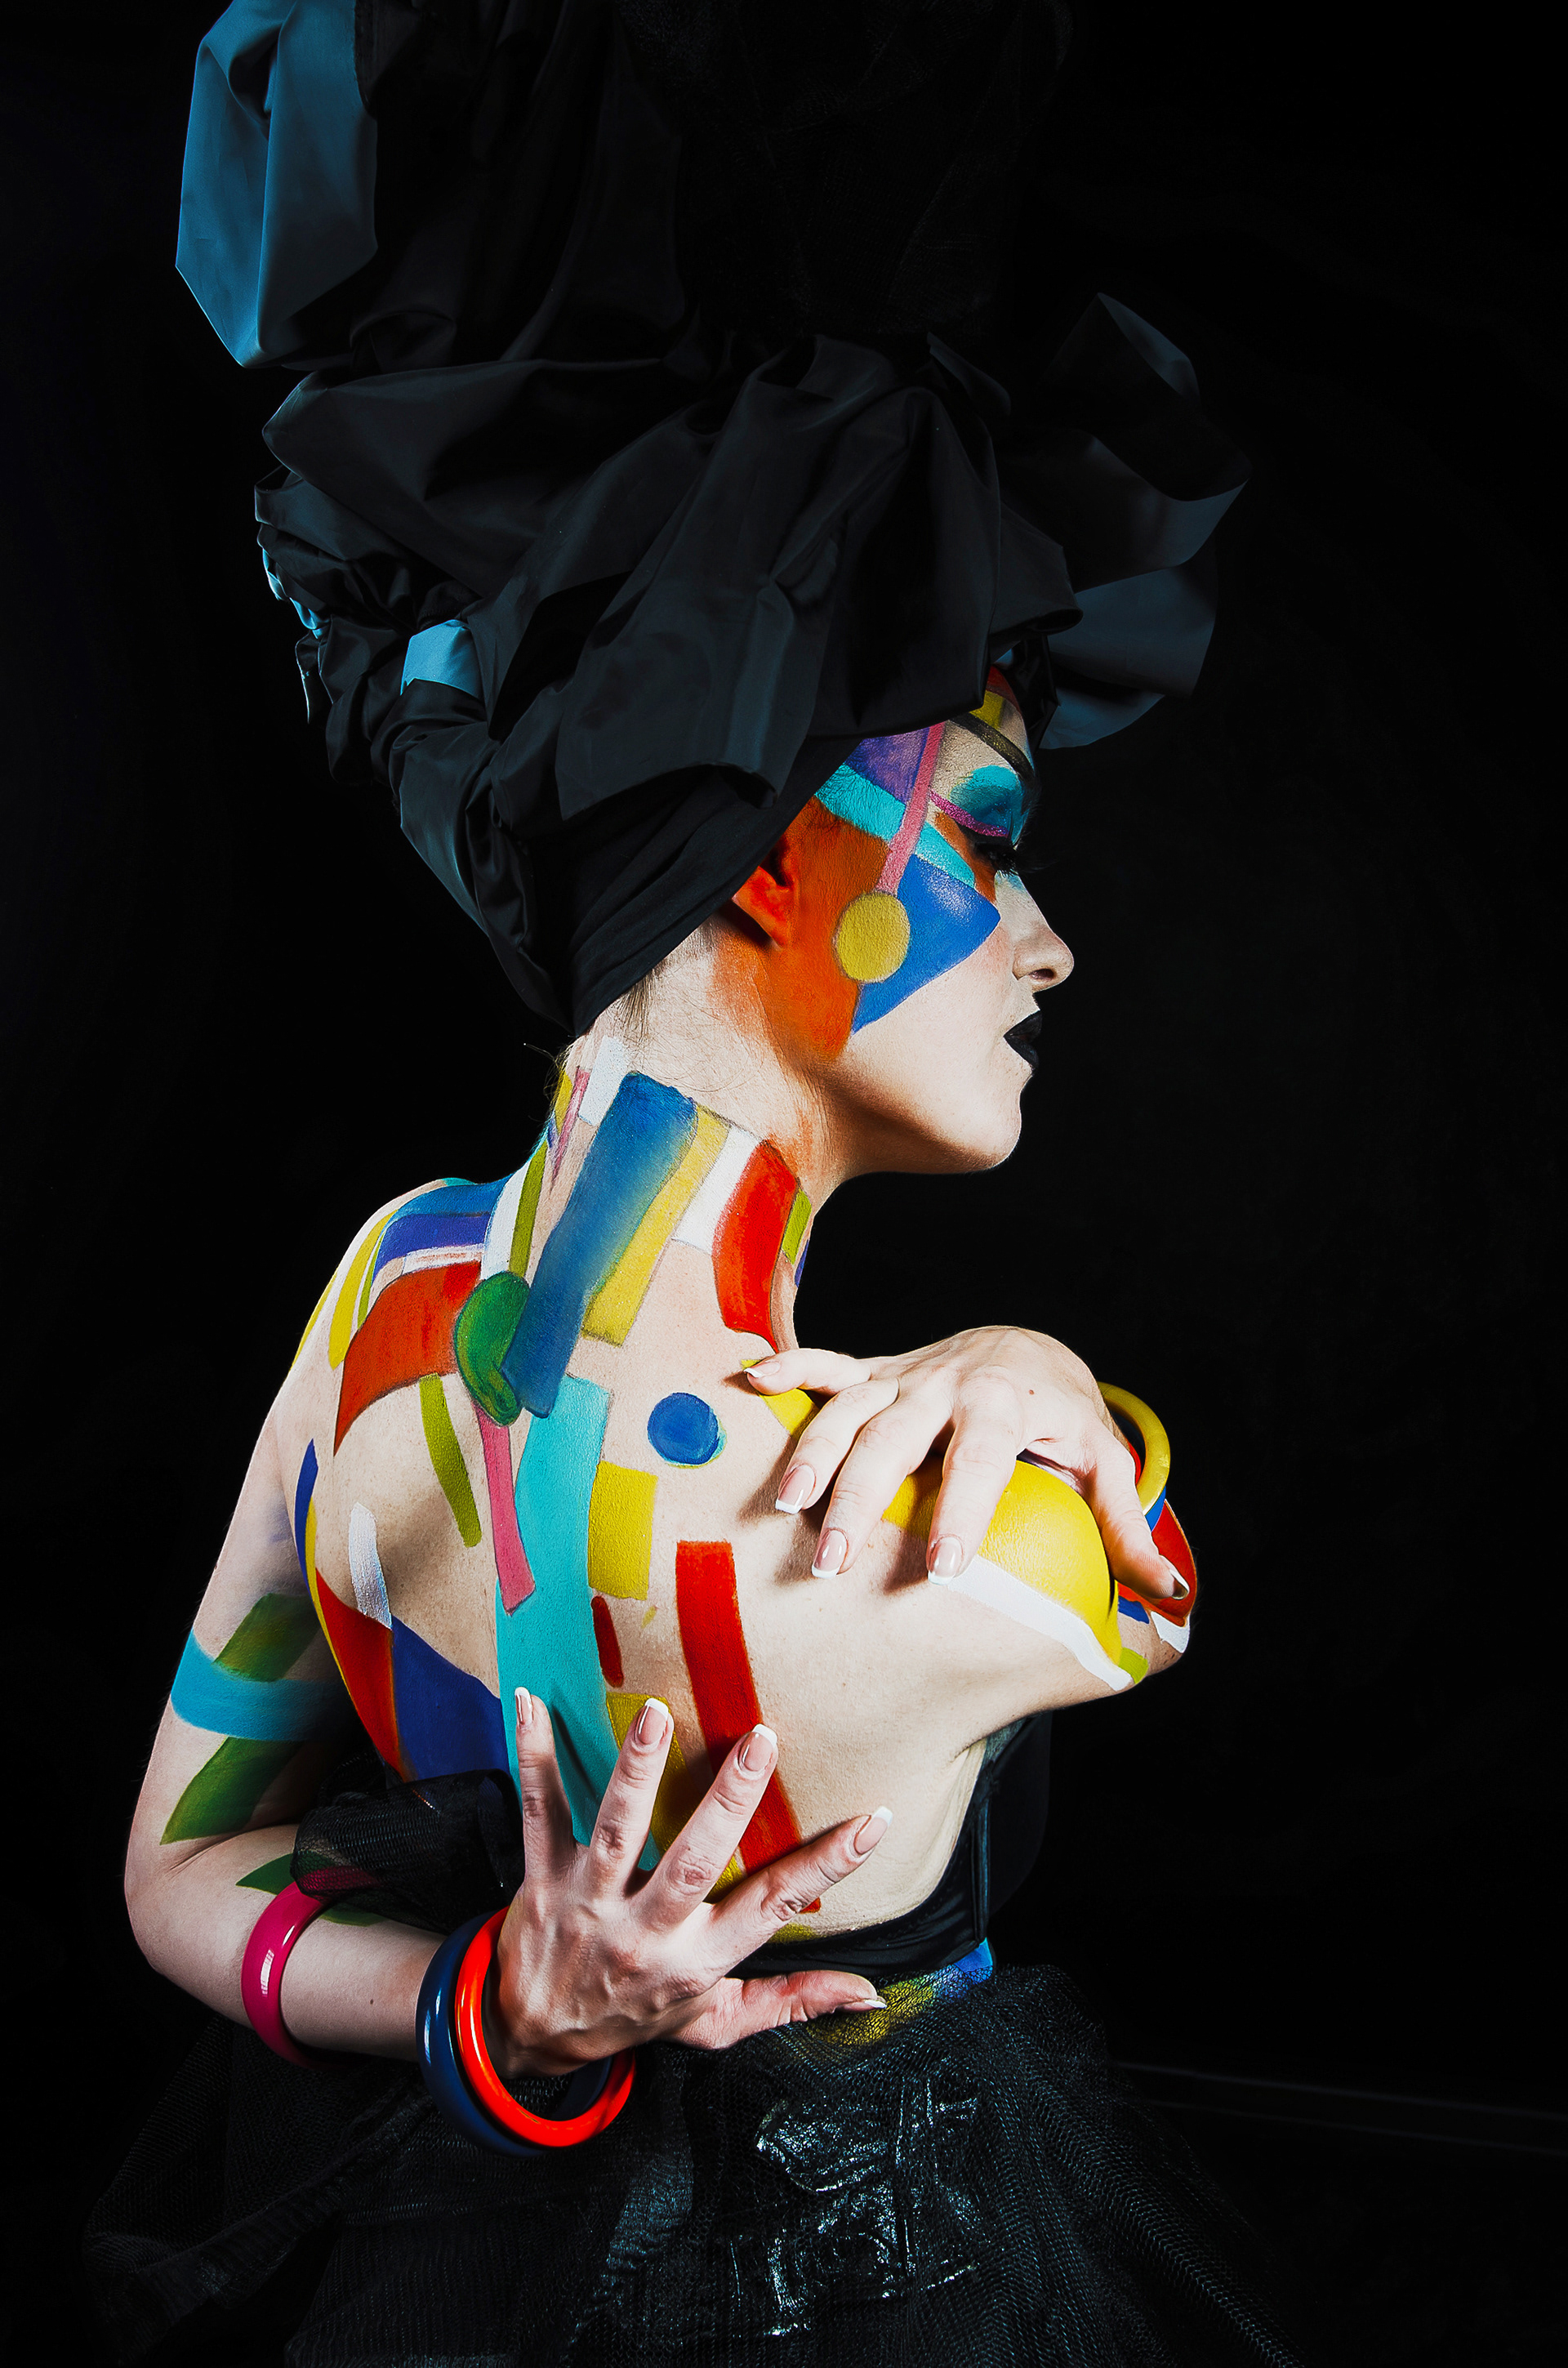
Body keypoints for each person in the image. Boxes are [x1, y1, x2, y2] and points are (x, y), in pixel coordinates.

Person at [87, 3, 1307, 2361]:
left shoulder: (388, 1307)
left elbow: (182, 1868)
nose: (1044, 939)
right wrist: (1071, 1397)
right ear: (757, 860)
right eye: (985, 838)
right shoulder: (965, 1536)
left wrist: (491, 2018)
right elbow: (1136, 1586)